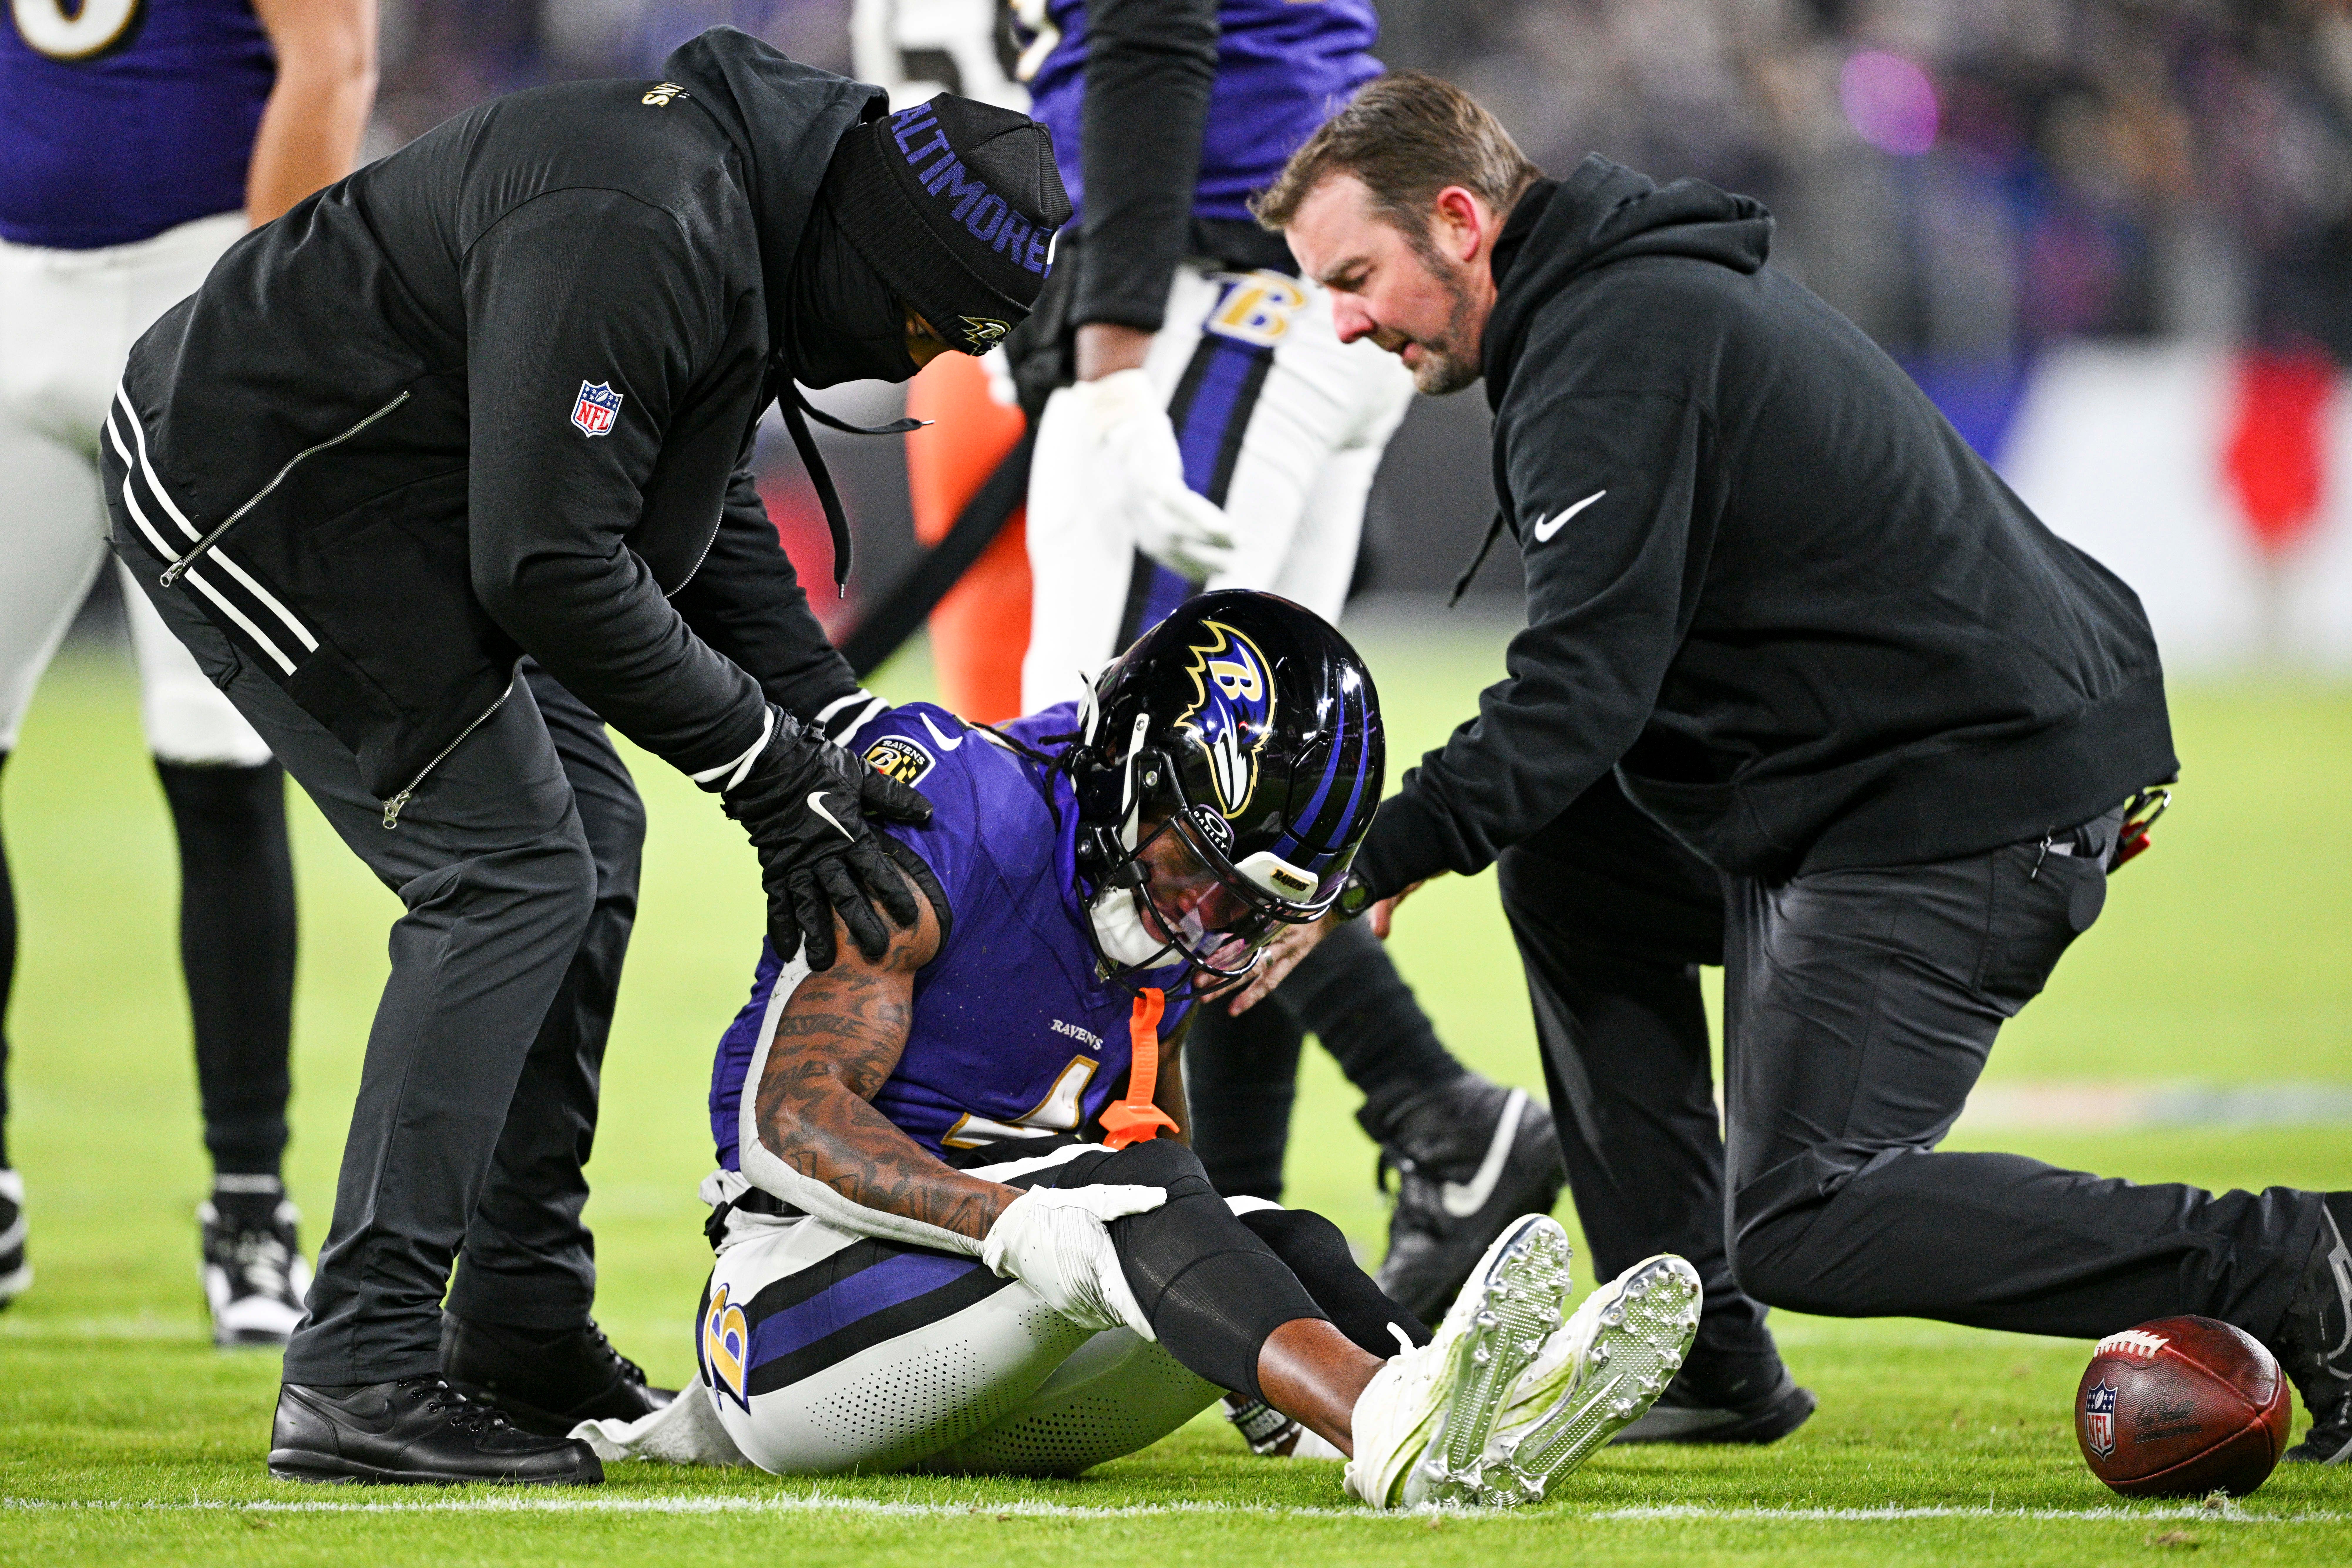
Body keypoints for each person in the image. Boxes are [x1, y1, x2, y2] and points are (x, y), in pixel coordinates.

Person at [1240, 70, 2352, 1463]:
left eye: (1354, 276)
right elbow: (1605, 706)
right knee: (1570, 854)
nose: (1342, 320)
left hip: (1958, 799)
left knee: (1807, 1216)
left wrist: (1359, 866)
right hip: (1885, 779)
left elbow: (1575, 692)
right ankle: (1693, 1347)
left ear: (1458, 221)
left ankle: (2297, 1257)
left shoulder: (1612, 339)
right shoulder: (1611, 307)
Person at [104, 27, 1076, 1484]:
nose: (917, 360)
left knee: (585, 841)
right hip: (260, 474)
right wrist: (765, 769)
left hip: (426, 499)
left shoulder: (761, 209)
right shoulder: (649, 217)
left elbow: (690, 512)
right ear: (875, 260)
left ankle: (513, 1317)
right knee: (510, 872)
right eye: (929, 323)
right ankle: (359, 1368)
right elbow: (552, 564)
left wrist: (830, 730)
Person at [572, 590, 1702, 1506]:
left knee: (1280, 1236)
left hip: (975, 1325)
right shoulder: (956, 809)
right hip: (791, 1321)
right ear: (1130, 771)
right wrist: (1016, 1221)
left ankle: (1455, 1406)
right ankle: (1382, 1411)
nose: (1211, 919)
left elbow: (1155, 1153)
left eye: (1249, 906)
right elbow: (791, 1120)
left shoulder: (1158, 897)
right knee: (1135, 1202)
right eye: (1202, 872)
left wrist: (1202, 1304)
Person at [1000, 0, 1569, 1337]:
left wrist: (1116, 341)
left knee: (1112, 772)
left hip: (1223, 294)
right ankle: (1243, 1214)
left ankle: (1434, 1109)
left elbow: (1150, 38)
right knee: (1242, 798)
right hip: (1285, 294)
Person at [0, 0, 374, 1343]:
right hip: (9, 295)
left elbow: (332, 59)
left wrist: (252, 311)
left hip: (186, 286)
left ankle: (249, 1207)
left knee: (217, 769)